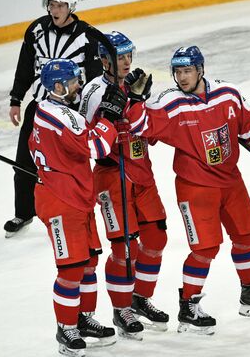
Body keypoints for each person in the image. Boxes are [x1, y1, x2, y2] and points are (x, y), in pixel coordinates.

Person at [121, 46, 250, 335]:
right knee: (205, 247)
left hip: (230, 180)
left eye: (187, 71)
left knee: (246, 235)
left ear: (201, 69)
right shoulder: (171, 103)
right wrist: (135, 100)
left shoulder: (228, 94)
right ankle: (188, 306)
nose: (182, 77)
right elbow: (139, 126)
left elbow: (248, 127)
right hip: (195, 186)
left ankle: (249, 292)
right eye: (177, 72)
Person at [29, 58, 128, 356]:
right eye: (73, 81)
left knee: (88, 262)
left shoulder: (50, 109)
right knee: (71, 269)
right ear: (58, 87)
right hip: (61, 201)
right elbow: (98, 148)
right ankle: (66, 329)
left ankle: (83, 319)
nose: (78, 86)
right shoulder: (62, 116)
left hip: (76, 194)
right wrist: (109, 117)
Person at [79, 31, 169, 338]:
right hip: (111, 176)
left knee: (156, 239)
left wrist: (140, 103)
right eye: (120, 57)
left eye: (129, 55)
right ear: (104, 60)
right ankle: (122, 309)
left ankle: (141, 298)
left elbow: (153, 132)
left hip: (142, 169)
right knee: (124, 247)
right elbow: (86, 141)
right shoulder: (92, 92)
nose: (127, 62)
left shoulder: (141, 84)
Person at [4, 0, 103, 238]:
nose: (55, 10)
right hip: (39, 108)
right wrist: (16, 98)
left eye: (60, 5)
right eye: (52, 4)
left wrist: (93, 111)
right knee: (24, 160)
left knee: (71, 165)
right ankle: (24, 212)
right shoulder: (36, 30)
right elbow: (25, 65)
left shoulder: (87, 36)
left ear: (71, 6)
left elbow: (94, 79)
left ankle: (81, 208)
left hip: (71, 111)